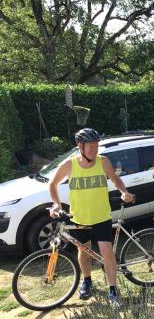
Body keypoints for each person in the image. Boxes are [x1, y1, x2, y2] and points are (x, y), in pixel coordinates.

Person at [48, 128, 134, 308]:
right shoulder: (70, 165)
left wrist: (124, 191)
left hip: (102, 216)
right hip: (80, 218)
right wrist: (56, 204)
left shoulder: (103, 161)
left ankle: (112, 290)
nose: (94, 150)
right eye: (90, 146)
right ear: (80, 146)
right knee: (84, 252)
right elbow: (52, 184)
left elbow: (115, 178)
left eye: (96, 146)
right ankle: (87, 281)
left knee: (108, 254)